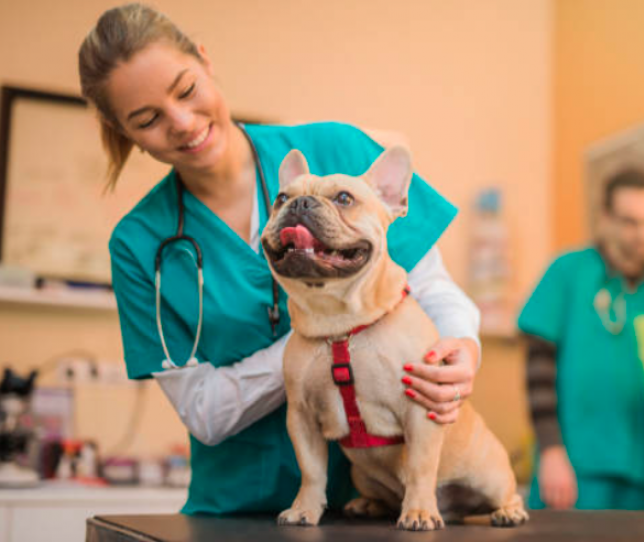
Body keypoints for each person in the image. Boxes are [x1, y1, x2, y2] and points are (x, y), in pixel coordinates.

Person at [78, 3, 482, 515]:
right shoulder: (139, 244)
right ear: (124, 131)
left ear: (205, 60)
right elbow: (204, 412)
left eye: (186, 90)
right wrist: (326, 335)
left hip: (384, 498)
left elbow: (432, 290)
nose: (182, 123)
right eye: (147, 119)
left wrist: (461, 349)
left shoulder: (336, 150)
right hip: (239, 510)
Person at [518, 168, 644, 510]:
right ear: (605, 218)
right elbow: (538, 367)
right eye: (630, 222)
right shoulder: (568, 271)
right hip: (572, 468)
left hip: (637, 470)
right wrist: (551, 451)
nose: (643, 234)